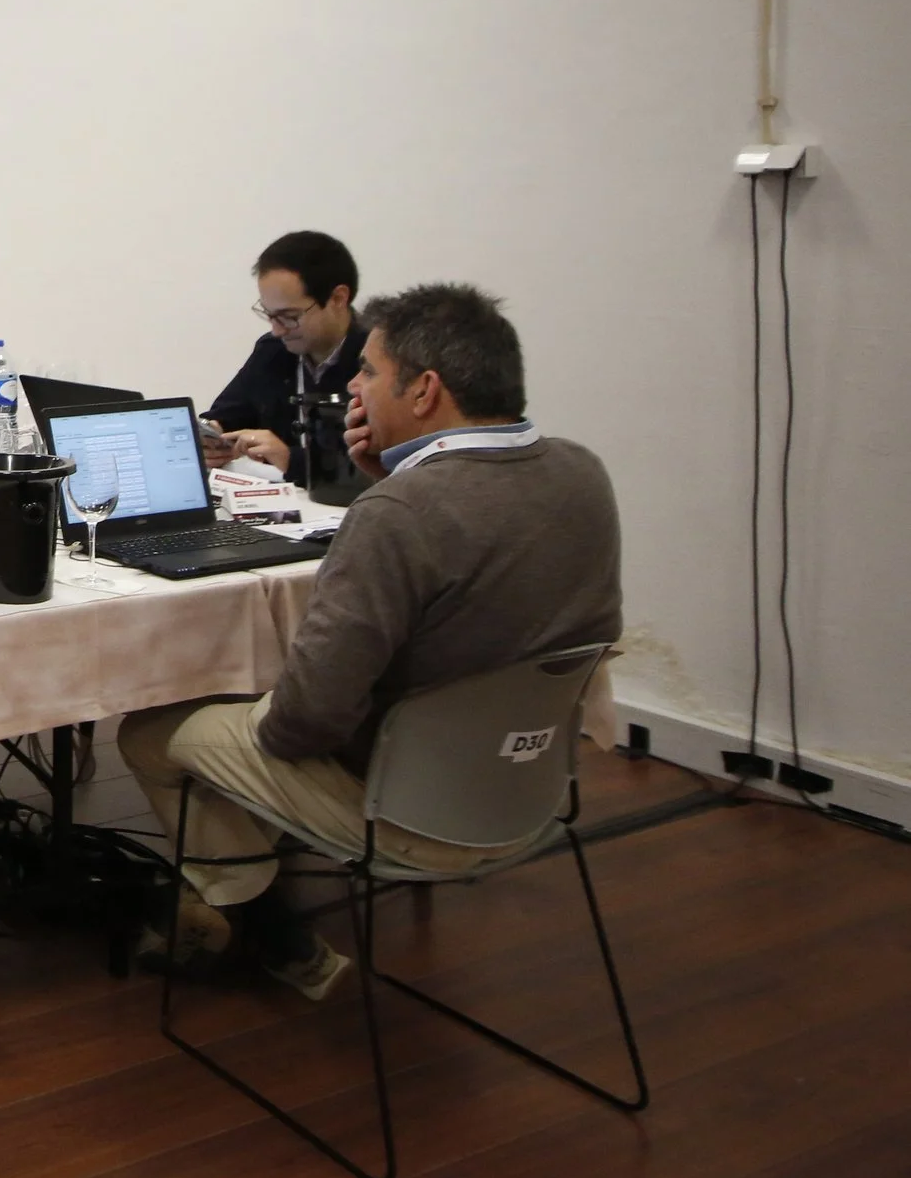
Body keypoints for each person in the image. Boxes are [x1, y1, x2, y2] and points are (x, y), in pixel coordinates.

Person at [119, 282, 622, 999]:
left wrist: (387, 499)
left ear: (424, 391)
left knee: (150, 733)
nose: (353, 386)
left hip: (409, 809)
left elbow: (304, 724)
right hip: (531, 792)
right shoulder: (581, 471)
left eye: (369, 372)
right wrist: (388, 482)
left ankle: (268, 927)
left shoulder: (399, 515)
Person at [205, 230, 364, 487]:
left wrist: (290, 459)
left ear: (338, 298)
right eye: (269, 315)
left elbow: (385, 462)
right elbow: (225, 416)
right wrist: (210, 438)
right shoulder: (274, 350)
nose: (278, 330)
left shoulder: (379, 360)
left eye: (289, 316)